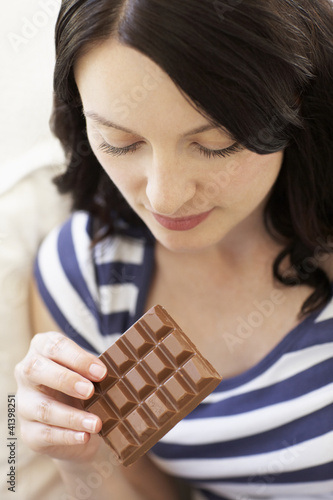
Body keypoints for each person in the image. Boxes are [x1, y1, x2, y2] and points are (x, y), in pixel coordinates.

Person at [15, 0, 333, 499]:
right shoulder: (83, 281)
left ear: (295, 98)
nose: (165, 197)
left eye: (216, 144)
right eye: (119, 142)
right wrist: (80, 459)